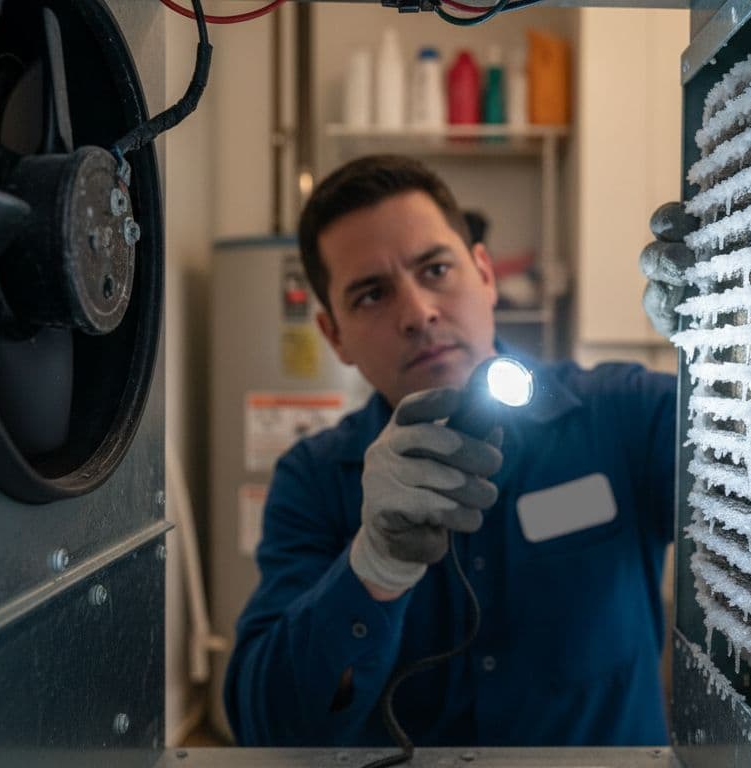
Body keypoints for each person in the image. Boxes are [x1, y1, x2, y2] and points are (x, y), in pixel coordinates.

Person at [224, 154, 677, 748]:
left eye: (435, 269)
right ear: (334, 335)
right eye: (370, 296)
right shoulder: (314, 480)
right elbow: (267, 728)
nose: (416, 312)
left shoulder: (622, 415)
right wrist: (371, 570)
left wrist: (744, 336)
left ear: (485, 273)